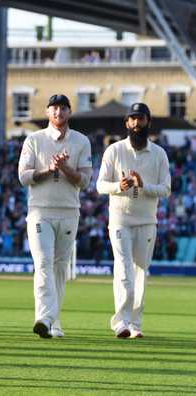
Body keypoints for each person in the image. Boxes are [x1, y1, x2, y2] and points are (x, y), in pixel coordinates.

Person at [18, 94, 92, 339]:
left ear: (69, 112)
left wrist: (65, 169)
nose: (58, 112)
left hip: (69, 211)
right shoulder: (34, 140)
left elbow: (84, 180)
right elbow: (24, 176)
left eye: (63, 108)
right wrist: (49, 169)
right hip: (40, 211)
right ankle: (44, 318)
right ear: (48, 112)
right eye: (54, 108)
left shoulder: (81, 141)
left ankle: (53, 322)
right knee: (43, 263)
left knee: (60, 268)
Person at [96, 102, 170, 338]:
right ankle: (121, 322)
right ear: (126, 123)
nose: (137, 123)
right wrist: (119, 186)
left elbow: (166, 189)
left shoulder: (159, 154)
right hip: (120, 220)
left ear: (149, 122)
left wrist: (143, 186)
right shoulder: (114, 150)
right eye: (133, 119)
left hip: (147, 221)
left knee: (140, 272)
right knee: (124, 270)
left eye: (141, 119)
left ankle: (135, 324)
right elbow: (99, 185)